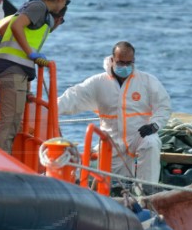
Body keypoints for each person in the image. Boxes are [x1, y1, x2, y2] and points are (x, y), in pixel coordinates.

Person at [58, 41, 172, 185]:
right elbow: (74, 96)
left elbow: (164, 106)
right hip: (110, 141)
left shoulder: (147, 81)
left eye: (128, 63)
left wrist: (154, 125)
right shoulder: (98, 82)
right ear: (112, 60)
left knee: (151, 142)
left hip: (138, 135)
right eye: (120, 62)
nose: (124, 67)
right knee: (108, 183)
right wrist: (50, 109)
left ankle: (148, 191)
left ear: (134, 61)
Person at [0, 0, 70, 153]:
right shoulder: (38, 8)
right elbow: (17, 26)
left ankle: (1, 162)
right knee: (9, 124)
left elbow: (6, 29)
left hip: (10, 69)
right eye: (66, 1)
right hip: (11, 69)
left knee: (13, 123)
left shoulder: (35, 10)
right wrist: (30, 54)